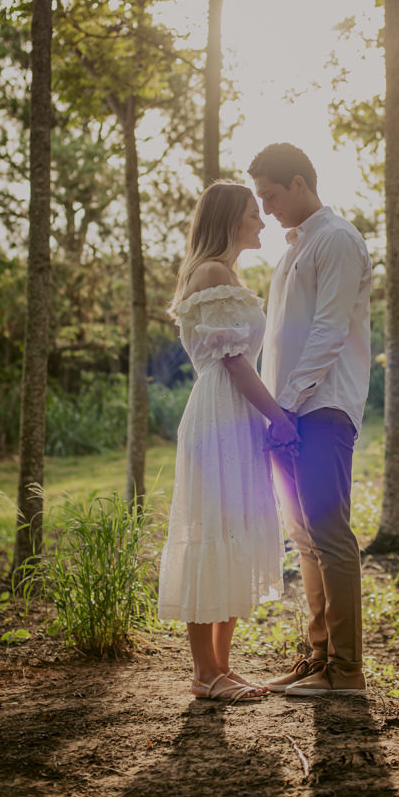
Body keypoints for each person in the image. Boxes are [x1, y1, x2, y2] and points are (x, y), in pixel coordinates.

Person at [158, 180, 299, 703]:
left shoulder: (224, 275)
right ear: (228, 220)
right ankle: (204, 674)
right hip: (221, 412)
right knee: (212, 530)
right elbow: (235, 361)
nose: (261, 223)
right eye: (251, 214)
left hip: (235, 416)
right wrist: (278, 418)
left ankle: (221, 667)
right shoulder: (212, 273)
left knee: (234, 529)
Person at [248, 143, 371, 697]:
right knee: (304, 538)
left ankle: (347, 672)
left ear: (299, 183)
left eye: (270, 196)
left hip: (319, 410)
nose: (267, 209)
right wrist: (274, 411)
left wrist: (290, 406)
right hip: (288, 413)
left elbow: (329, 331)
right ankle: (319, 659)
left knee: (329, 535)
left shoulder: (338, 240)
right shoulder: (295, 249)